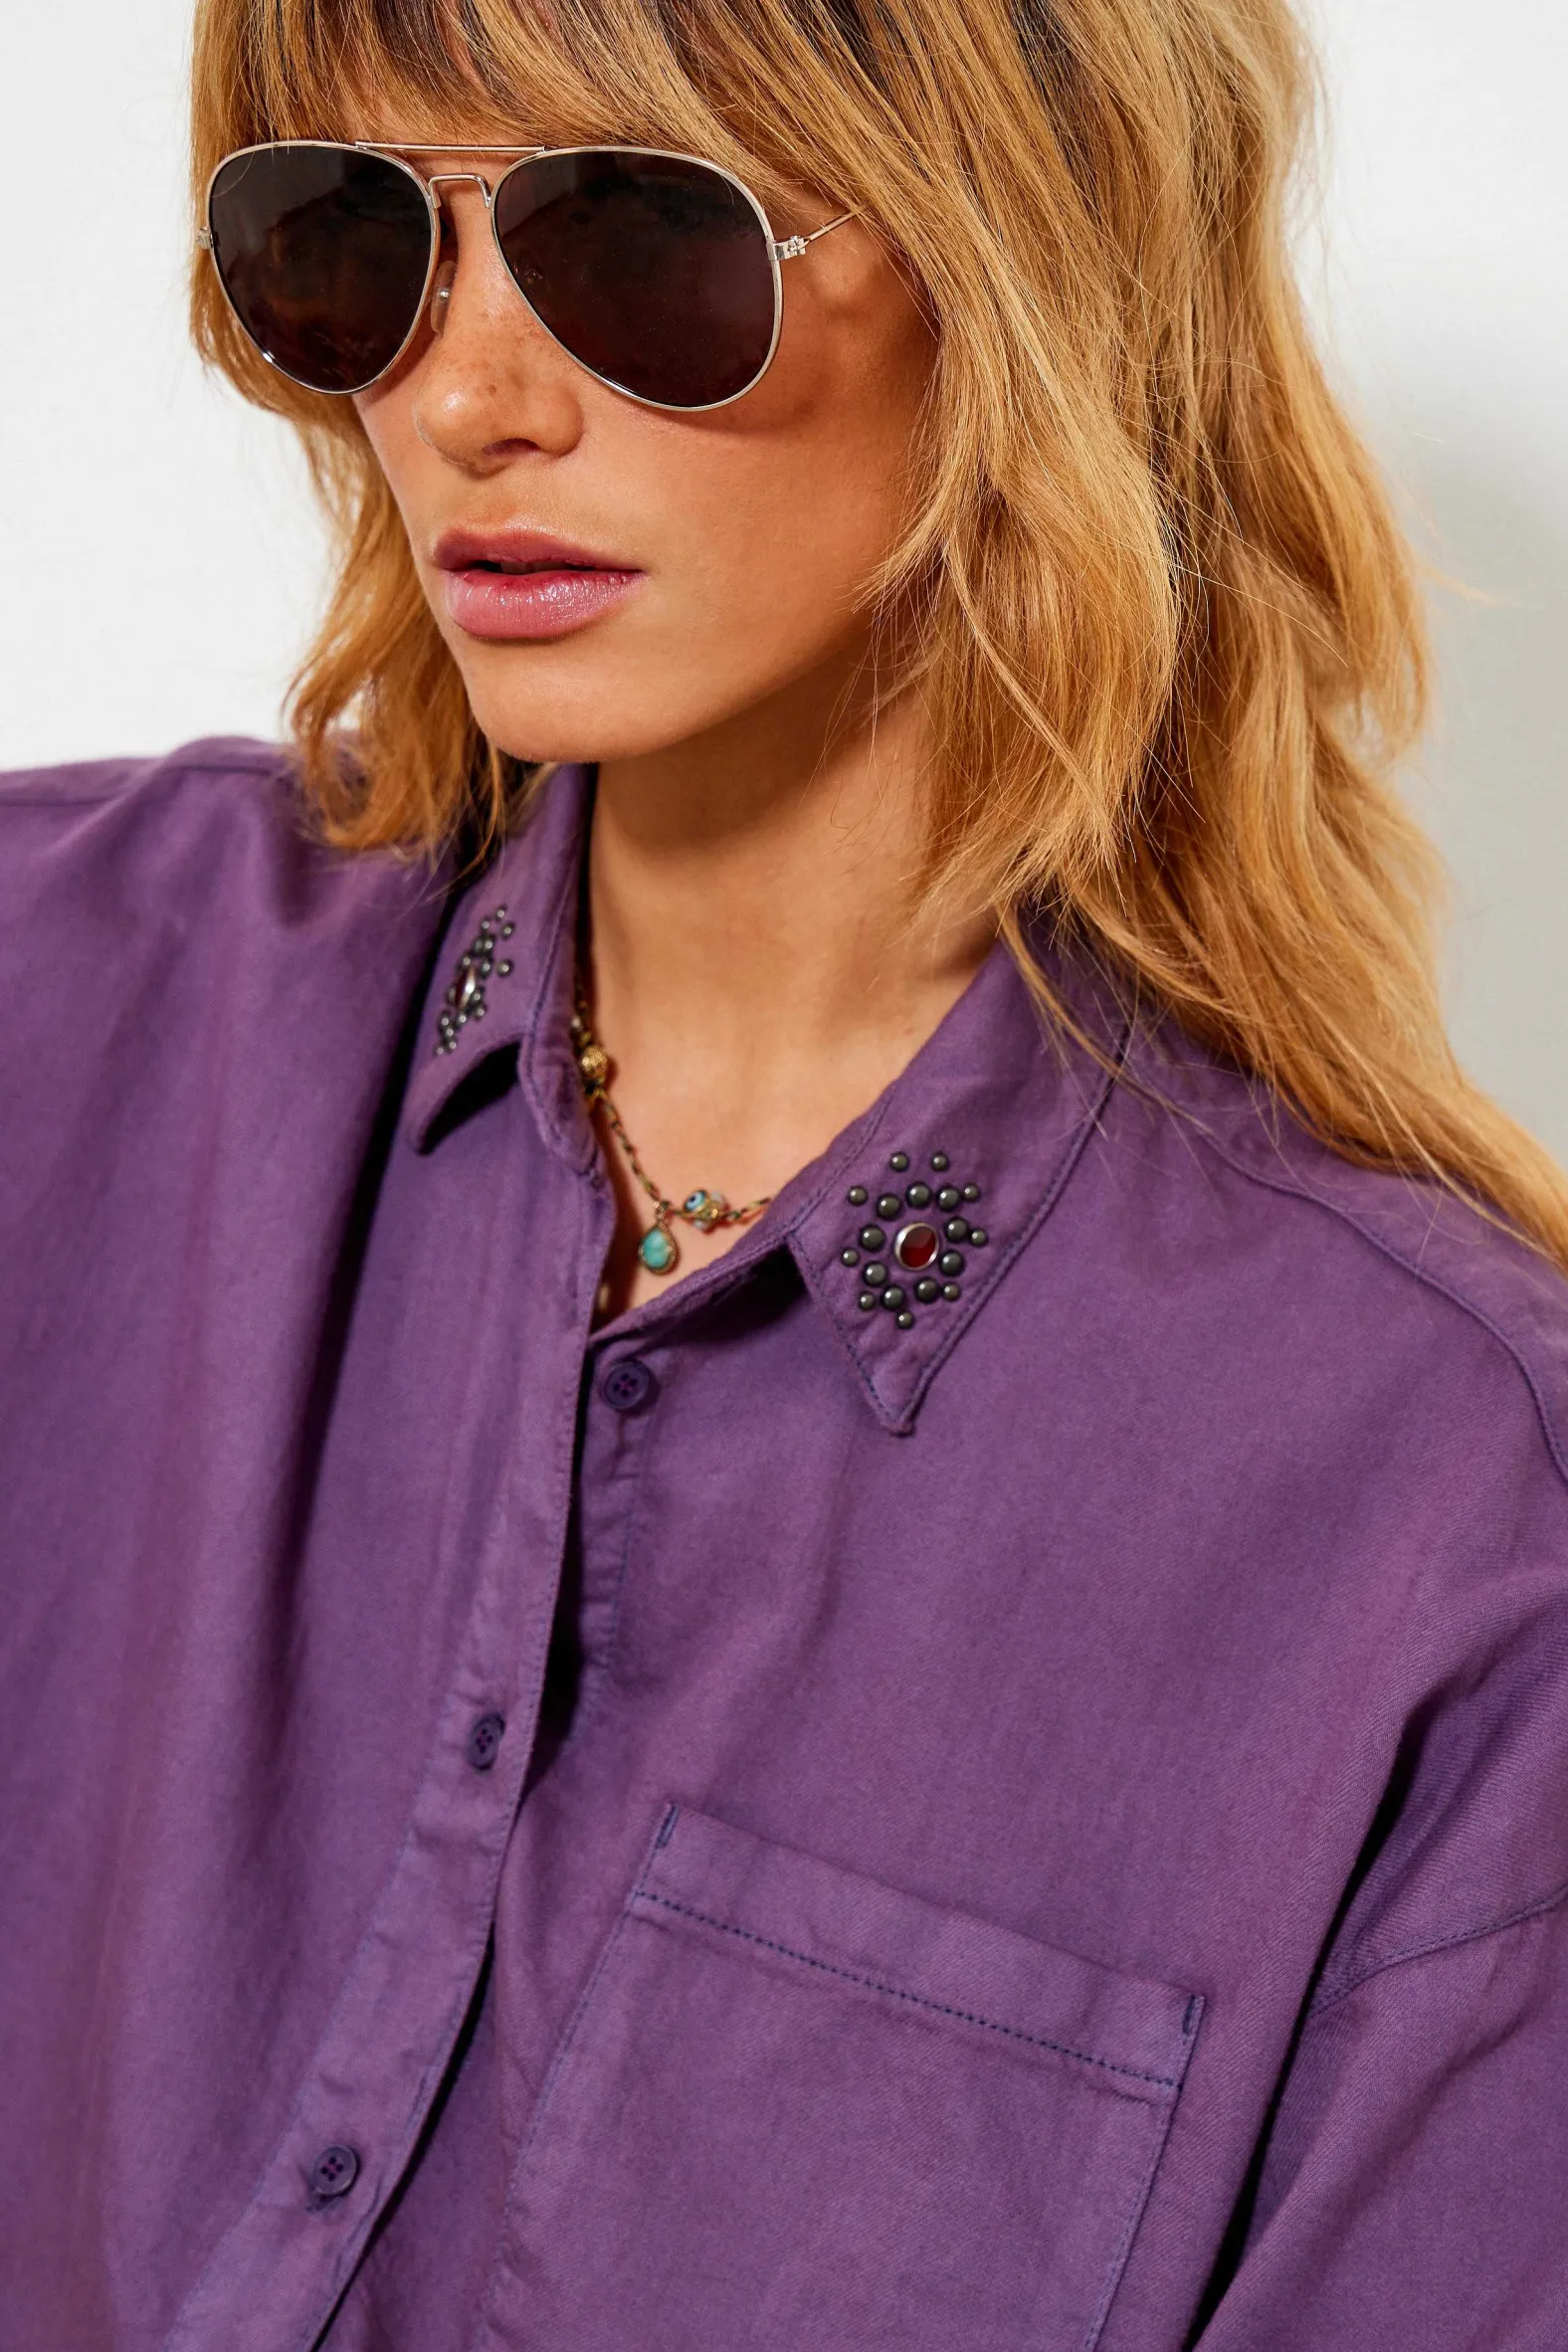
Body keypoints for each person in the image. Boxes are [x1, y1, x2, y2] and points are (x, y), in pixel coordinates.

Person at [4, 0, 1568, 2344]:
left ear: (1022, 278)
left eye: (630, 238)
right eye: (350, 243)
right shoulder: (68, 1008)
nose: (466, 396)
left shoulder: (1438, 1530)